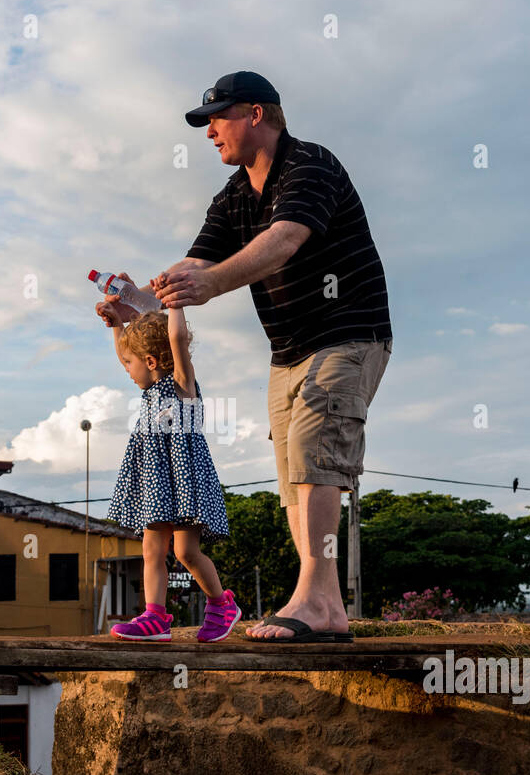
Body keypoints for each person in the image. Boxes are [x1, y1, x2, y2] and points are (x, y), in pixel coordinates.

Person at [151, 71, 393, 643]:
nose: (209, 132)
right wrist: (137, 301)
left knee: (317, 453)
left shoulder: (310, 164)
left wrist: (210, 287)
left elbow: (284, 240)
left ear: (256, 114)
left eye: (217, 118)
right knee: (294, 477)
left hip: (347, 333)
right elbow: (193, 269)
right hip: (286, 352)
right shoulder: (233, 196)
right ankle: (327, 610)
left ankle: (312, 599)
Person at [95, 275, 242, 643]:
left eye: (130, 362)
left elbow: (176, 341)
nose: (125, 369)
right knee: (151, 548)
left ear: (150, 360)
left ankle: (222, 603)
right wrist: (117, 324)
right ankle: (155, 617)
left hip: (184, 480)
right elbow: (126, 352)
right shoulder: (148, 390)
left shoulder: (182, 386)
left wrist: (174, 304)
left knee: (186, 551)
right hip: (156, 482)